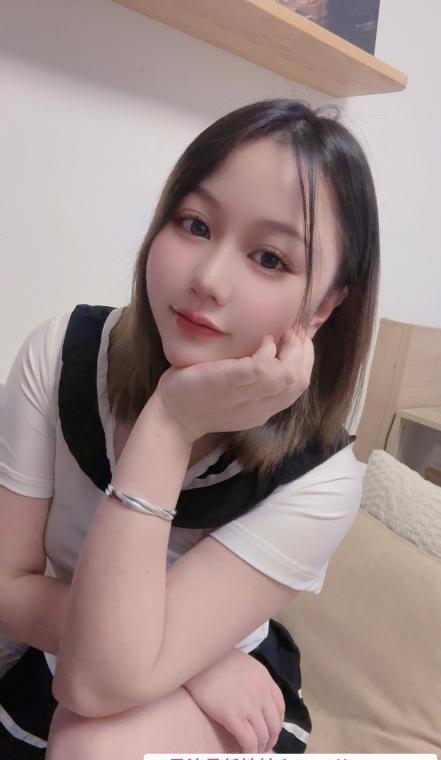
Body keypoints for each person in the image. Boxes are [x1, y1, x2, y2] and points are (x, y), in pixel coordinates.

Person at [0, 98, 379, 759]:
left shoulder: (319, 481)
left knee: (94, 742)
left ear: (324, 305)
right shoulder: (62, 356)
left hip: (223, 706)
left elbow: (98, 687)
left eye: (269, 258)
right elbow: (6, 587)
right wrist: (190, 663)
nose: (208, 279)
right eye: (195, 224)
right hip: (80, 661)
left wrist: (170, 425)